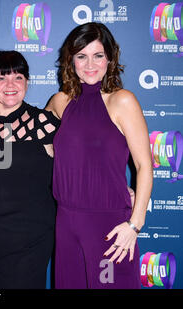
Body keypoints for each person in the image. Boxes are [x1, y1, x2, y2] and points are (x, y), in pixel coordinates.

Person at [46, 22, 153, 288]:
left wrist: (135, 224)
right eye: (81, 56)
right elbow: (29, 125)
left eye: (98, 55)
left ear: (110, 59)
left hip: (108, 226)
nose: (89, 64)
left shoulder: (122, 101)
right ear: (71, 61)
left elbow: (144, 165)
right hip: (66, 222)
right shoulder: (61, 101)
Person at [0, 50, 60, 288]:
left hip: (27, 243)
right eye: (2, 77)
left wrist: (118, 189)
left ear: (27, 82)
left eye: (18, 77)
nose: (10, 84)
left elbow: (80, 166)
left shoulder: (44, 124)